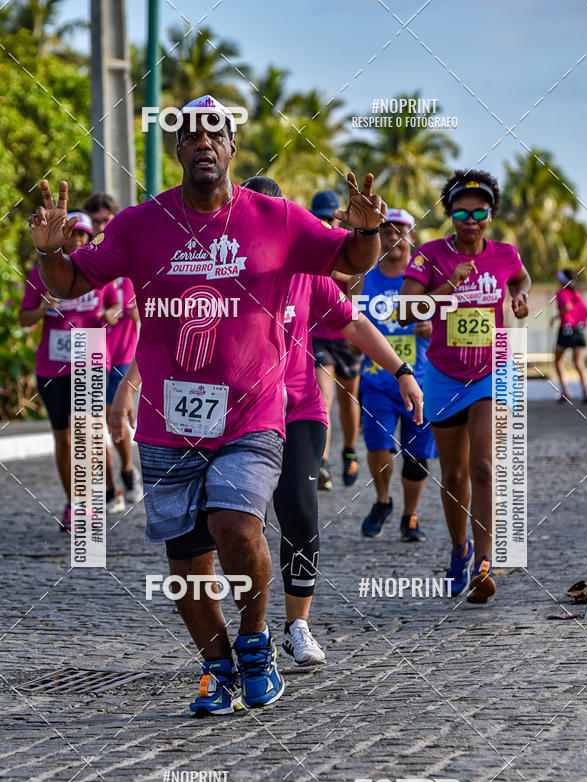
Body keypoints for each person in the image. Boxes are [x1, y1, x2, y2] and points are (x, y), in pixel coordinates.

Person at [29, 94, 388, 716]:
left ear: (230, 147)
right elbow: (70, 284)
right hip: (169, 423)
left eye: (213, 133)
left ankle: (256, 644)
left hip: (253, 413)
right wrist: (50, 251)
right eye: (190, 134)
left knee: (236, 523)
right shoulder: (141, 225)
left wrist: (364, 230)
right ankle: (217, 665)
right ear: (176, 149)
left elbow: (350, 261)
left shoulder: (276, 217)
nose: (202, 142)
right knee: (187, 558)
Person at [242, 177, 423, 666]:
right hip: (237, 416)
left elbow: (355, 323)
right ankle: (248, 630)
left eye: (275, 213)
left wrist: (403, 370)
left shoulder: (307, 272)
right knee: (241, 526)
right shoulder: (222, 271)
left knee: (299, 512)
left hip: (298, 410)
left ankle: (297, 625)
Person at [400, 170, 530, 603]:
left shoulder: (505, 254)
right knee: (454, 474)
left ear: (490, 215)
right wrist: (447, 286)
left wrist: (519, 296)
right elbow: (404, 311)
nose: (469, 219)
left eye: (479, 211)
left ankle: (484, 563)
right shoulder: (429, 255)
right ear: (450, 214)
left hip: (493, 369)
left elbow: (520, 277)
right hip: (443, 374)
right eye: (460, 211)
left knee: (484, 467)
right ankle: (460, 550)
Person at [19, 211, 119, 532]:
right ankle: (74, 503)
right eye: (72, 234)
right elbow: (23, 319)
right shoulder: (42, 273)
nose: (77, 240)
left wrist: (112, 313)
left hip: (91, 354)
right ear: (63, 238)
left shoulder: (100, 270)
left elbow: (116, 303)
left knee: (86, 434)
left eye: (83, 235)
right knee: (63, 439)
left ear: (90, 240)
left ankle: (88, 501)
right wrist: (42, 308)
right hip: (52, 365)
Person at [352, 208, 437, 540]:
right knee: (378, 446)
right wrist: (355, 345)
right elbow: (351, 325)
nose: (393, 237)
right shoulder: (364, 276)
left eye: (400, 231)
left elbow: (444, 323)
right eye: (387, 231)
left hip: (420, 380)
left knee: (416, 454)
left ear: (412, 238)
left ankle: (410, 516)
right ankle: (383, 500)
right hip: (376, 381)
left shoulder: (423, 279)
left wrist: (430, 327)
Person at [83, 192, 143, 511]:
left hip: (123, 351)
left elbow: (137, 305)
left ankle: (127, 469)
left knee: (111, 418)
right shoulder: (84, 257)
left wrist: (130, 312)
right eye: (95, 221)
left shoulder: (126, 254)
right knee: (94, 425)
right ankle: (110, 490)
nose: (100, 225)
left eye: (106, 219)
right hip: (91, 348)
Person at [309, 190, 362, 490]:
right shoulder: (311, 243)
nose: (326, 223)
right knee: (323, 398)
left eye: (330, 217)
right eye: (320, 217)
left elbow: (356, 278)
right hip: (318, 335)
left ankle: (350, 450)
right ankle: (323, 463)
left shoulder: (347, 244)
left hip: (348, 333)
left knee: (349, 400)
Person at [552, 268, 587, 403]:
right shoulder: (578, 294)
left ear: (562, 281)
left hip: (566, 331)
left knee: (557, 360)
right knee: (579, 363)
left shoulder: (561, 293)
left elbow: (567, 307)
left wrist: (555, 318)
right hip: (579, 331)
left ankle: (566, 391)